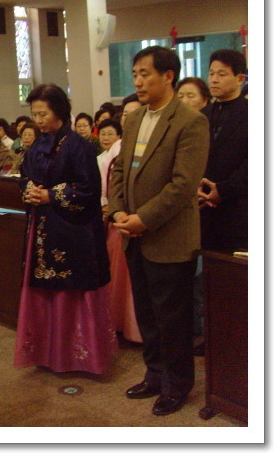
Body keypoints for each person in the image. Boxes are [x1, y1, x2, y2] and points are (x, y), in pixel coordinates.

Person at [108, 46, 209, 416]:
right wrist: (118, 210)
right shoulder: (135, 118)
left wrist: (143, 218)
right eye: (135, 73)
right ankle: (154, 375)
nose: (137, 81)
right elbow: (120, 169)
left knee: (173, 318)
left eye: (145, 74)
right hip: (133, 234)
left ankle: (177, 384)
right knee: (147, 314)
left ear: (168, 76)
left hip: (168, 237)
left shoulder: (190, 121)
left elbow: (183, 185)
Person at [14, 84, 117, 375]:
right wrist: (29, 190)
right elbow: (24, 176)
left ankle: (80, 356)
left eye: (43, 114)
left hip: (73, 230)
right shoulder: (37, 145)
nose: (38, 120)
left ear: (59, 112)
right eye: (34, 114)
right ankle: (47, 353)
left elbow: (88, 189)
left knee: (71, 291)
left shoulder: (78, 146)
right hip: (42, 229)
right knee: (44, 291)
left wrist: (51, 195)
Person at [96, 118, 142, 344]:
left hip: (137, 217)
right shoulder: (108, 156)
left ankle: (135, 327)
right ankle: (118, 323)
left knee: (131, 278)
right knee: (118, 275)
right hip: (117, 217)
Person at [200, 49, 248, 252]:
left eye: (222, 74)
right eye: (211, 73)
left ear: (240, 79)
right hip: (203, 206)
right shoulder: (202, 115)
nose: (214, 79)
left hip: (239, 207)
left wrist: (223, 190)